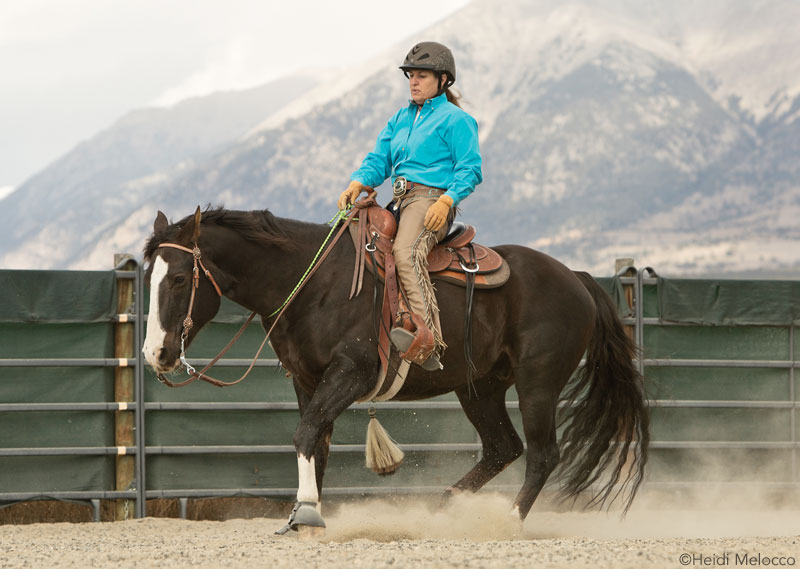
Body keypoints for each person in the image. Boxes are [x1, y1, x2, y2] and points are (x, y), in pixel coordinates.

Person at [338, 41, 482, 371]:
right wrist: (358, 182)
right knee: (353, 242)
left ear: (443, 81)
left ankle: (427, 340)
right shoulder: (400, 119)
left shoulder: (457, 120)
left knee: (405, 251)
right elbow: (379, 160)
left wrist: (448, 200)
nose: (414, 82)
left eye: (422, 76)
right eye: (411, 76)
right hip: (399, 199)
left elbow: (470, 169)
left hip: (431, 202)